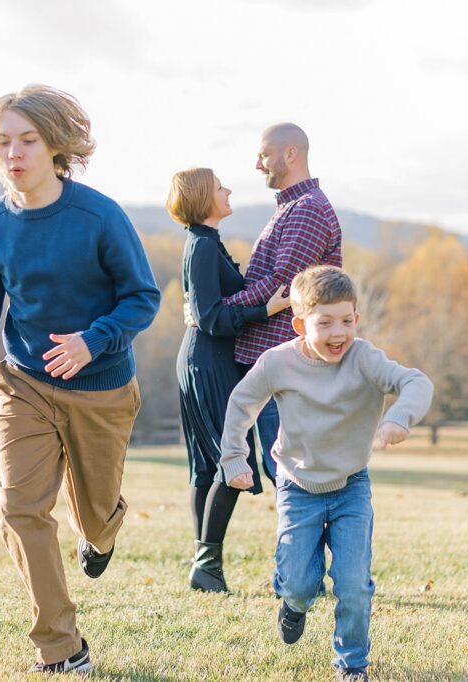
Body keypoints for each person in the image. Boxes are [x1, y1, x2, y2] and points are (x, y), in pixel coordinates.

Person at [0, 84, 160, 675]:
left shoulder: (98, 217)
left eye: (27, 140)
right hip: (25, 385)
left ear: (55, 146)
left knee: (94, 514)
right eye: (4, 141)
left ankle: (99, 531)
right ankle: (62, 646)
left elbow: (143, 297)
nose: (14, 152)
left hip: (103, 390)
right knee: (19, 508)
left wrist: (94, 341)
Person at [220, 265, 433, 681]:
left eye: (347, 320)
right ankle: (294, 603)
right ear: (300, 324)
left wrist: (399, 418)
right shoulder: (277, 363)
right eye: (326, 322)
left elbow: (415, 381)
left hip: (351, 485)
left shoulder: (363, 358)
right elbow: (241, 403)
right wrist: (233, 457)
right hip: (298, 485)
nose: (339, 332)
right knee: (299, 583)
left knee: (353, 584)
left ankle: (351, 665)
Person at [165, 167, 290, 593]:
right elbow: (210, 316)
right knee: (230, 460)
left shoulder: (207, 243)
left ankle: (207, 566)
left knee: (209, 465)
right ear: (203, 197)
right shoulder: (200, 245)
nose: (229, 190)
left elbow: (207, 307)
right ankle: (206, 565)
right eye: (220, 187)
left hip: (206, 357)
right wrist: (266, 311)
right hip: (208, 360)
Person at [216, 123, 343, 487]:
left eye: (264, 155)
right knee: (280, 470)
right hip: (271, 358)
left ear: (291, 154)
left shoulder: (307, 210)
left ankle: (307, 545)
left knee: (291, 472)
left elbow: (282, 285)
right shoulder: (291, 207)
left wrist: (220, 308)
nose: (259, 165)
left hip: (286, 359)